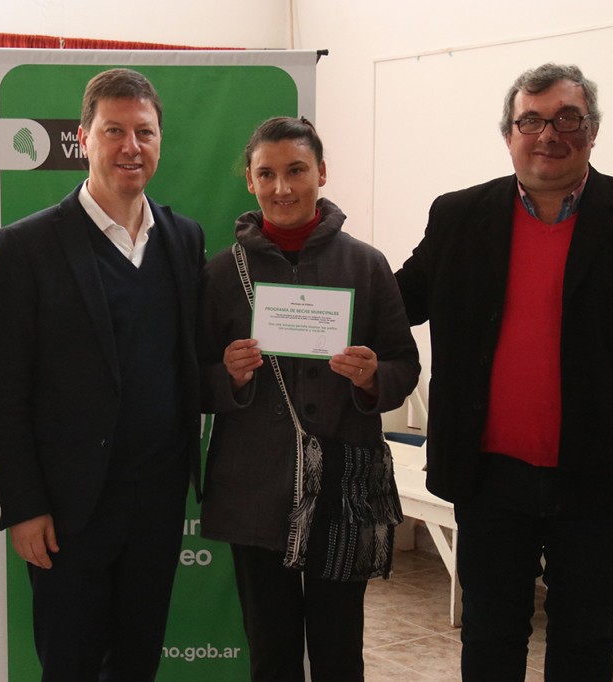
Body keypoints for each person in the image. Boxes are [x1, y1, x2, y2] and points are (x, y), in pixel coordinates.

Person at [394, 63, 613, 680]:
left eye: (568, 120)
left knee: (586, 642)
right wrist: (310, 287)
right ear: (508, 133)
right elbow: (397, 303)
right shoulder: (459, 214)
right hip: (489, 475)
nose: (549, 135)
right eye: (532, 121)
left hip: (602, 476)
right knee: (490, 637)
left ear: (592, 131)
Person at [0, 68, 205, 681]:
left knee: (137, 664)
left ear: (159, 140)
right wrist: (24, 506)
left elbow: (185, 364)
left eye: (144, 132)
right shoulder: (26, 247)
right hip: (66, 512)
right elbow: (2, 391)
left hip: (157, 504)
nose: (131, 146)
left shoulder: (184, 239)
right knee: (71, 666)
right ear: (83, 138)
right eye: (114, 131)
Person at [198, 116, 420, 681]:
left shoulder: (366, 264)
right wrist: (229, 377)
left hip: (343, 488)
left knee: (339, 650)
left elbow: (404, 365)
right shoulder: (222, 274)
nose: (282, 188)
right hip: (254, 489)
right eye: (266, 174)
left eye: (296, 170)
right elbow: (189, 380)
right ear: (249, 180)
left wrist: (372, 378)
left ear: (321, 172)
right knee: (271, 653)